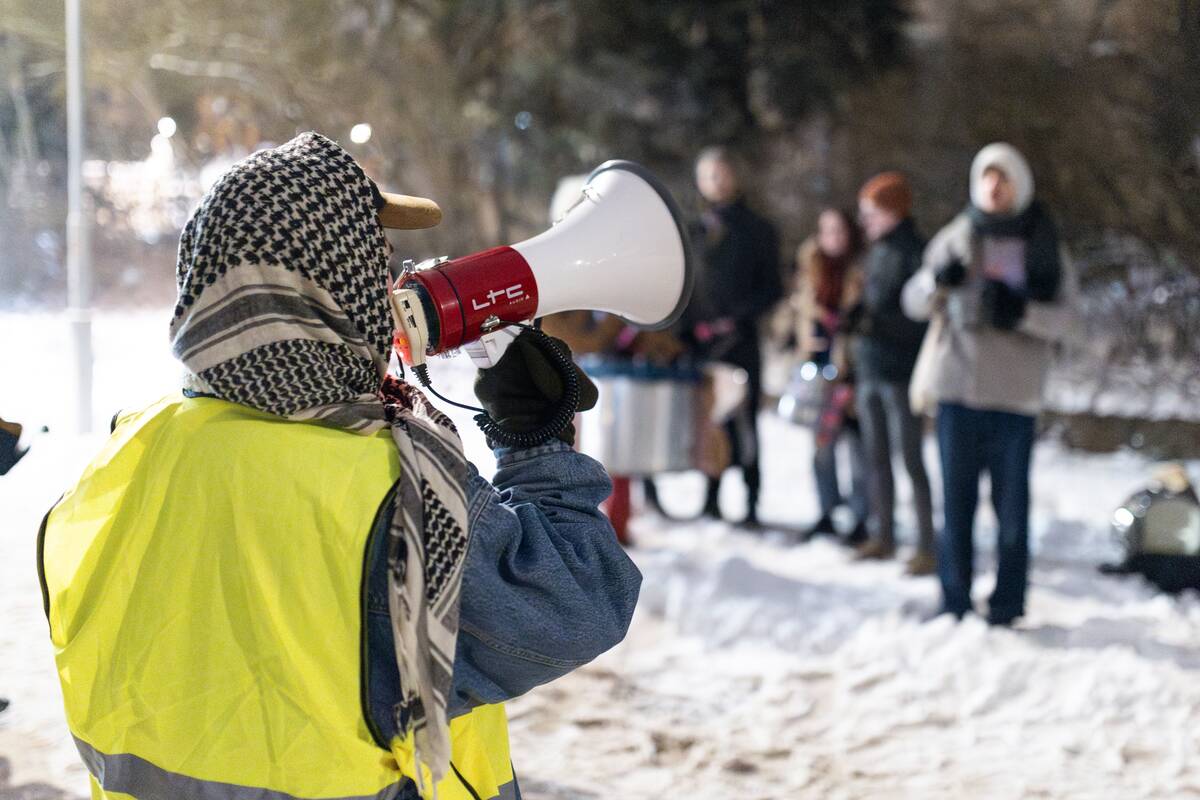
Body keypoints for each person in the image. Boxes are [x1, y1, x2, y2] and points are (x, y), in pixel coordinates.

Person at [37, 133, 641, 800]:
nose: (384, 293)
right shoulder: (387, 483)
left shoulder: (127, 456)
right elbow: (579, 605)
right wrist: (536, 445)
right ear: (332, 287)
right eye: (371, 264)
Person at [903, 142, 1075, 625]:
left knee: (1012, 514)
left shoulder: (1045, 243)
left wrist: (1023, 314)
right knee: (954, 507)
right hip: (959, 391)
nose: (993, 188)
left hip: (1015, 397)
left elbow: (1068, 318)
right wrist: (938, 280)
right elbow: (912, 300)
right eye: (986, 178)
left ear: (1020, 185)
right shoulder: (958, 235)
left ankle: (1007, 604)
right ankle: (953, 600)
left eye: (1003, 179)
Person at [686, 146, 784, 528]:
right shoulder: (692, 232)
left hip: (741, 342)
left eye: (723, 172)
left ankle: (752, 499)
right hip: (703, 344)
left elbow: (772, 287)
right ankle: (711, 497)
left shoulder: (758, 230)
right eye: (709, 174)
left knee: (744, 423)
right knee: (710, 422)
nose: (717, 181)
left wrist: (737, 318)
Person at [846, 171, 936, 573]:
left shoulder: (915, 252)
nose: (865, 220)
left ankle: (926, 545)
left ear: (892, 210)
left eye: (871, 212)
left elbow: (921, 317)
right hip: (870, 368)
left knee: (911, 458)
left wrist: (876, 324)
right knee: (875, 456)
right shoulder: (876, 251)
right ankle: (884, 535)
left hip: (901, 371)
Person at [789, 209, 869, 544]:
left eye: (838, 230)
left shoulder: (862, 272)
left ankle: (861, 515)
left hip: (851, 374)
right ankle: (826, 509)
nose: (831, 237)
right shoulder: (810, 272)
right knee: (821, 446)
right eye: (825, 231)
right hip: (817, 371)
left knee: (856, 447)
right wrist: (803, 339)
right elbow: (795, 315)